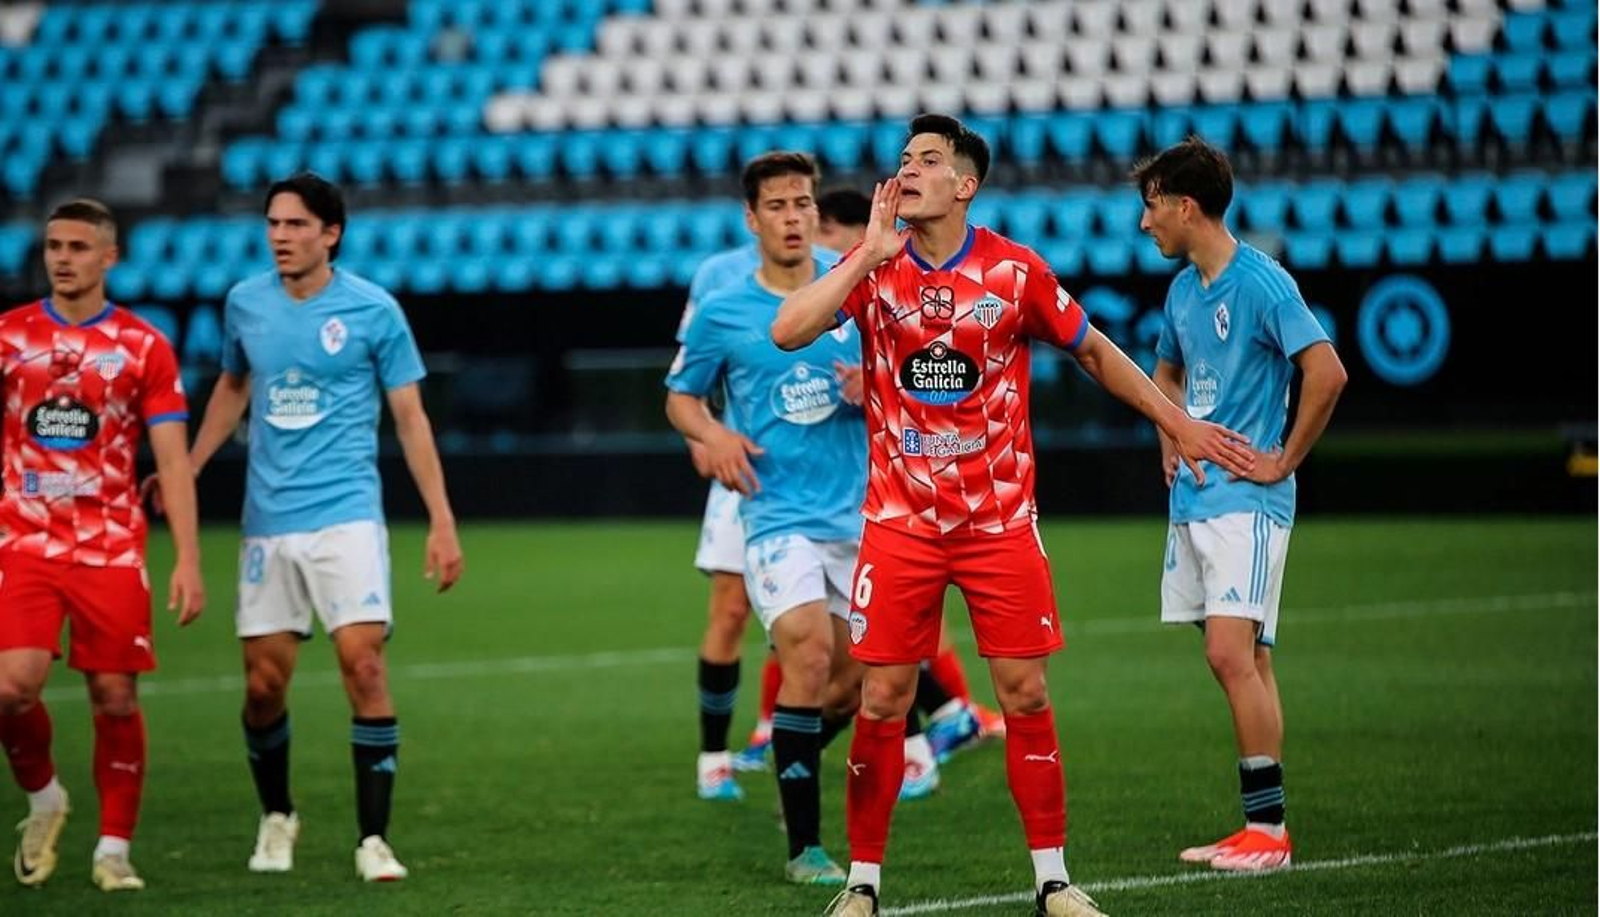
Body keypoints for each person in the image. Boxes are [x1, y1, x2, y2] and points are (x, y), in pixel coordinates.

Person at [773, 114, 1257, 917]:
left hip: (998, 523)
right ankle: (863, 884)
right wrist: (867, 253)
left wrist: (1176, 419)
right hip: (899, 522)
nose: (910, 171)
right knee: (885, 698)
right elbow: (787, 329)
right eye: (904, 160)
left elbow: (1095, 351)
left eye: (928, 160)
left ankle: (1053, 879)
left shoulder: (1014, 271)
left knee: (1025, 693)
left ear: (966, 184)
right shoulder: (871, 268)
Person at [180, 173, 464, 882]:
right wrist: (187, 466)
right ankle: (278, 814)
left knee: (364, 666)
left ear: (330, 232)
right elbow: (234, 385)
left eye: (296, 225)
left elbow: (410, 416)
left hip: (347, 516)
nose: (280, 235)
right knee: (262, 685)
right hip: (268, 522)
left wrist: (441, 518)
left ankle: (374, 838)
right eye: (273, 224)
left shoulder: (373, 310)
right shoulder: (245, 303)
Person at [1134, 137, 1346, 873]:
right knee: (1246, 656)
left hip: (1249, 501)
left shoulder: (1263, 283)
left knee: (1230, 653)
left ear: (1186, 206)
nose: (1144, 223)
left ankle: (1270, 835)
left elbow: (1327, 371)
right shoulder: (1184, 288)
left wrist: (1283, 458)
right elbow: (1166, 365)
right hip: (1197, 498)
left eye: (1152, 206)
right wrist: (1169, 429)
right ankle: (1262, 828)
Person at [667, 151, 865, 885]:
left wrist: (873, 385)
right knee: (807, 655)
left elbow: (912, 379)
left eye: (803, 203)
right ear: (751, 219)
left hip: (858, 511)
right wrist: (711, 434)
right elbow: (681, 396)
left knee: (860, 683)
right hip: (775, 513)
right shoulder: (723, 309)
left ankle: (794, 763)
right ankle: (806, 848)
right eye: (777, 205)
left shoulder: (855, 287)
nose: (793, 217)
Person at [0, 199, 205, 892]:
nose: (62, 257)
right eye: (54, 245)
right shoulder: (8, 336)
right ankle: (45, 797)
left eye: (78, 247)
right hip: (23, 538)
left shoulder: (144, 346)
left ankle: (114, 847)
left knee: (115, 695)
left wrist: (189, 559)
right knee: (10, 685)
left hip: (111, 545)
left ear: (108, 256)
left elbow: (172, 461)